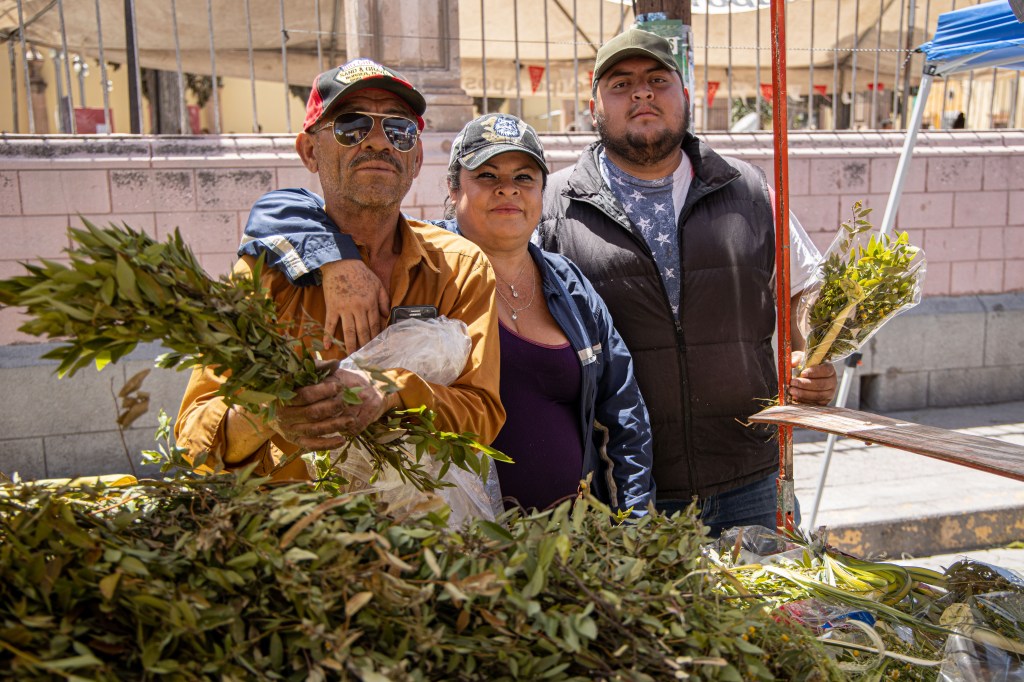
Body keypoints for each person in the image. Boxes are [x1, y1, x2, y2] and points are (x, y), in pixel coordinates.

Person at [239, 113, 655, 515]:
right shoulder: (426, 267)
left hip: (571, 540)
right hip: (455, 542)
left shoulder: (571, 287)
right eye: (487, 175)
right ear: (454, 189)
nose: (507, 189)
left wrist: (634, 524)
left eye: (524, 178)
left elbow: (622, 414)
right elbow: (282, 210)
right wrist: (335, 259)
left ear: (542, 192)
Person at [537, 27, 837, 534]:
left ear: (687, 96)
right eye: (620, 84)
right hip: (626, 491)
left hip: (752, 479)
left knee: (768, 613)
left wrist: (816, 358)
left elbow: (806, 289)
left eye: (658, 79)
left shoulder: (748, 190)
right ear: (594, 108)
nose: (642, 93)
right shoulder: (555, 209)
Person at [175, 59, 504, 479]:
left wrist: (391, 392)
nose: (379, 142)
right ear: (310, 151)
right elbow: (193, 440)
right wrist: (270, 413)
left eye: (399, 130)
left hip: (418, 529)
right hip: (292, 531)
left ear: (417, 158)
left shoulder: (460, 268)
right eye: (353, 126)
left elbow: (483, 415)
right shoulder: (264, 276)